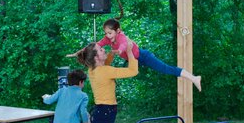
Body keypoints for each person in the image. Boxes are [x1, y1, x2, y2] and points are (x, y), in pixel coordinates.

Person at [66, 18, 202, 92]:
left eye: (110, 33)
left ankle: (194, 78)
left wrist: (119, 50)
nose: (107, 36)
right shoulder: (108, 39)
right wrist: (78, 53)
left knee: (166, 69)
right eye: (106, 33)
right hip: (134, 60)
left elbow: (124, 45)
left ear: (117, 31)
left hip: (143, 56)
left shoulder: (121, 38)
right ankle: (193, 78)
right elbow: (95, 45)